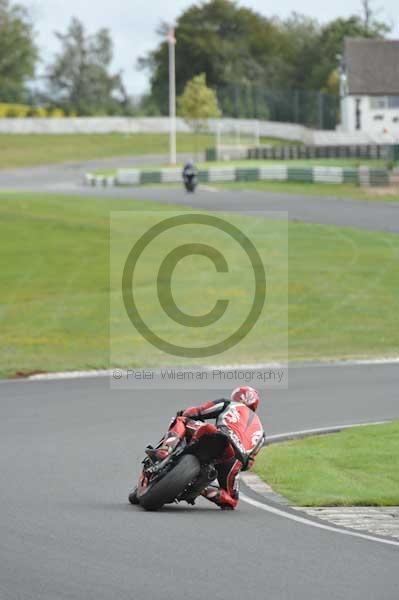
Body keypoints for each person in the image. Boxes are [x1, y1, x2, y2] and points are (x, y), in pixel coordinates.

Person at [147, 386, 265, 510]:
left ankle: (165, 450)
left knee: (181, 420)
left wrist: (183, 413)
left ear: (236, 396)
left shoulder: (229, 404)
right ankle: (202, 488)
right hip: (234, 459)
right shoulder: (261, 433)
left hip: (218, 435)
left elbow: (198, 411)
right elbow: (248, 464)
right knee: (231, 501)